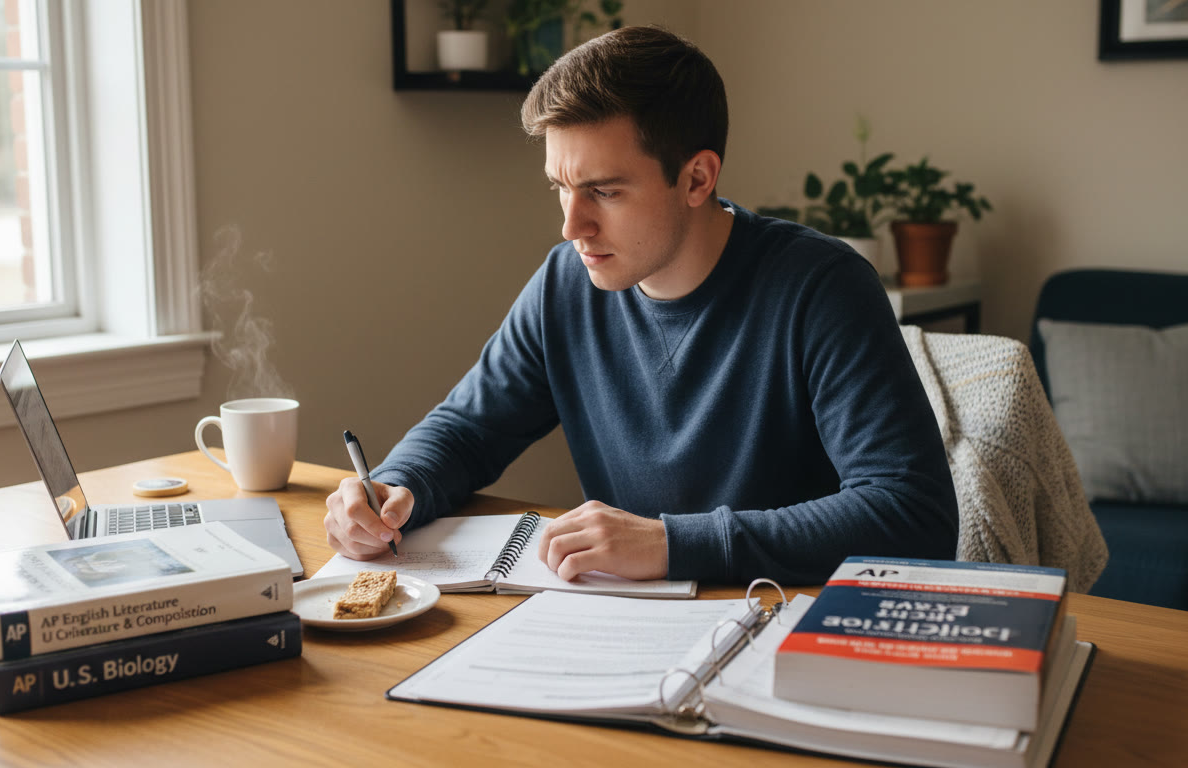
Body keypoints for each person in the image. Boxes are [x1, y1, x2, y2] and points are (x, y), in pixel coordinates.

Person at [325, 25, 957, 584]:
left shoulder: (822, 287)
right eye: (562, 189)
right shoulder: (564, 286)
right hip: (629, 625)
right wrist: (393, 484)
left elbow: (910, 513)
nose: (573, 227)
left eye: (604, 191)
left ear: (697, 179)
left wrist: (671, 543)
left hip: (781, 625)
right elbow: (467, 430)